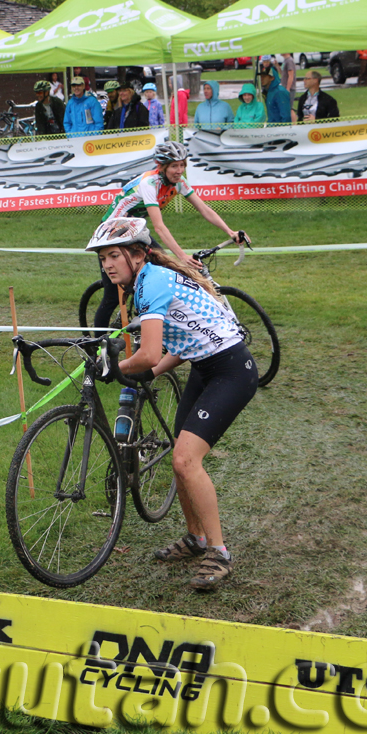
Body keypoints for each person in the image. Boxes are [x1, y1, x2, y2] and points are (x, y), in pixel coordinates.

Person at [85, 216, 257, 590]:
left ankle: (219, 552)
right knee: (181, 458)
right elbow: (185, 340)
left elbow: (147, 354)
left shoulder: (152, 282)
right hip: (204, 366)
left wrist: (111, 368)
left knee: (185, 459)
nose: (107, 265)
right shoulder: (146, 280)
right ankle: (196, 539)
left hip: (232, 371)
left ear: (137, 254)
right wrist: (144, 372)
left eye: (113, 256)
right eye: (102, 260)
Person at [93, 140, 248, 331]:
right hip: (112, 232)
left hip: (133, 229)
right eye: (174, 165)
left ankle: (149, 315)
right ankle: (93, 345)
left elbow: (204, 209)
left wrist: (230, 232)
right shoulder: (150, 183)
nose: (179, 170)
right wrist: (182, 257)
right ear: (162, 166)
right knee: (111, 296)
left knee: (162, 267)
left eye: (182, 164)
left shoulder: (179, 183)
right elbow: (159, 227)